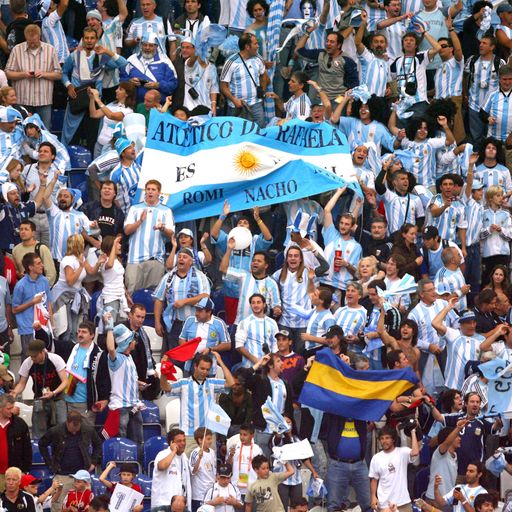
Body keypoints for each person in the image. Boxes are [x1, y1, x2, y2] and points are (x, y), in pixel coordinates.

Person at [60, 27, 127, 149]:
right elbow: (63, 73)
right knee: (71, 137)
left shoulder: (102, 57)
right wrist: (69, 85)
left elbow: (123, 64)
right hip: (77, 100)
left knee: (93, 138)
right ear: (83, 39)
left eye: (92, 38)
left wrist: (107, 51)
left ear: (96, 39)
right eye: (87, 38)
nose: (89, 41)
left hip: (95, 102)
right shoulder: (74, 56)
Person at [160, 353, 234, 452]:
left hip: (208, 434)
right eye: (202, 368)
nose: (204, 372)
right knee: (189, 466)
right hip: (189, 435)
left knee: (209, 466)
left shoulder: (212, 383)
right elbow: (165, 387)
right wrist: (163, 370)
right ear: (195, 366)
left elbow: (231, 383)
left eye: (207, 370)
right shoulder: (183, 383)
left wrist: (220, 361)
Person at [38, 411, 102, 512]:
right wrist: (50, 463)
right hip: (62, 475)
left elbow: (98, 444)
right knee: (58, 506)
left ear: (80, 423)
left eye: (77, 429)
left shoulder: (88, 429)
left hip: (82, 476)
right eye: (72, 429)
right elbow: (42, 444)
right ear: (67, 422)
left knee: (85, 507)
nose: (74, 432)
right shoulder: (56, 430)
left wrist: (94, 462)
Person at [4, 24, 61, 130]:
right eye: (30, 42)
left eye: (34, 41)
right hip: (22, 100)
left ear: (39, 37)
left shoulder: (50, 50)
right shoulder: (17, 49)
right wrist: (24, 74)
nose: (32, 44)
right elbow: (7, 73)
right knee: (21, 130)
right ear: (26, 37)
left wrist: (44, 74)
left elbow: (58, 74)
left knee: (44, 130)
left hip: (43, 100)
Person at [153, 247, 210, 351]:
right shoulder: (168, 277)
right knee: (175, 355)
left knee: (193, 353)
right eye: (179, 257)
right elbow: (158, 299)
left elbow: (205, 296)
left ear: (191, 262)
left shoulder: (199, 276)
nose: (181, 259)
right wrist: (157, 322)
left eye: (184, 257)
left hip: (194, 322)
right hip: (174, 323)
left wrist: (185, 302)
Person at [124, 179, 174, 293]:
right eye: (148, 189)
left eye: (153, 189)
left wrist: (162, 228)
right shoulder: (135, 209)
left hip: (155, 259)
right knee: (132, 295)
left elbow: (171, 233)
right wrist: (139, 221)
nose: (150, 192)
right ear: (145, 191)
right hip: (135, 260)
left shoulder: (166, 211)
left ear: (159, 193)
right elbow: (126, 231)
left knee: (155, 296)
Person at [239, 354, 294, 458]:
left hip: (279, 434)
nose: (282, 363)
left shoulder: (285, 384)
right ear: (271, 366)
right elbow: (242, 379)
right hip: (262, 430)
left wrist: (287, 417)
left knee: (276, 468)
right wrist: (259, 364)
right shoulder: (260, 380)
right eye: (278, 361)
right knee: (259, 466)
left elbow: (288, 408)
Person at [10, 339, 67, 438]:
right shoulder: (28, 363)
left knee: (62, 426)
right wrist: (15, 392)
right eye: (31, 356)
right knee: (38, 430)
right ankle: (39, 449)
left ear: (42, 352)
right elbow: (22, 383)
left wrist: (53, 392)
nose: (33, 358)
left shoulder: (56, 359)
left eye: (35, 356)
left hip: (57, 397)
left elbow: (65, 381)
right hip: (39, 399)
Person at [219, 240, 281, 326]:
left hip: (261, 327)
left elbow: (276, 305)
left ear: (266, 265)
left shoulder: (272, 283)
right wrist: (229, 249)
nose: (255, 262)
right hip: (240, 324)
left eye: (259, 261)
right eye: (253, 260)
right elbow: (223, 269)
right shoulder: (243, 276)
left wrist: (277, 310)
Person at [104, 317, 144, 446]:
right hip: (121, 407)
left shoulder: (129, 357)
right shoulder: (116, 358)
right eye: (133, 340)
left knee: (138, 441)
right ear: (127, 342)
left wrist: (138, 384)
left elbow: (126, 378)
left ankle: (137, 464)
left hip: (134, 406)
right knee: (122, 442)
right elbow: (110, 348)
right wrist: (109, 327)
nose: (135, 342)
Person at [322, 411, 372, 512]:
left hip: (360, 465)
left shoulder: (361, 414)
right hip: (337, 465)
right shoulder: (333, 415)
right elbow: (322, 430)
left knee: (368, 504)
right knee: (333, 506)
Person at [320, 189, 363, 300]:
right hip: (325, 283)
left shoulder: (356, 247)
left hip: (342, 288)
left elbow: (357, 274)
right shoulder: (331, 235)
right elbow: (327, 210)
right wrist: (339, 191)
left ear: (352, 227)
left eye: (347, 224)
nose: (343, 226)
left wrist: (346, 264)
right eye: (341, 223)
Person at [220, 33, 269, 128]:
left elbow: (263, 75)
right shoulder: (231, 62)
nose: (258, 46)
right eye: (255, 44)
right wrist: (234, 100)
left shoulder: (258, 58)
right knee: (237, 134)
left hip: (256, 104)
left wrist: (262, 91)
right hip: (238, 107)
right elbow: (223, 86)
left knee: (259, 132)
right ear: (247, 46)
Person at [64, 320, 109, 423]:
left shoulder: (98, 354)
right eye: (79, 331)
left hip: (85, 402)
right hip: (68, 400)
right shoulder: (72, 348)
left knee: (85, 434)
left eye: (84, 332)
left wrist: (104, 398)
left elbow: (104, 379)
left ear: (92, 335)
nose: (80, 334)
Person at [295, 30, 359, 102]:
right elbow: (299, 51)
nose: (328, 44)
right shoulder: (321, 54)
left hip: (337, 100)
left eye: (332, 42)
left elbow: (354, 84)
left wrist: (345, 102)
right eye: (327, 41)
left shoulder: (347, 61)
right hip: (321, 99)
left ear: (339, 45)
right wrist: (307, 33)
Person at [463, 35, 505, 143]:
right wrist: (465, 95)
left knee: (492, 139)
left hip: (492, 108)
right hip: (474, 105)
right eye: (480, 43)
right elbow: (465, 77)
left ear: (492, 47)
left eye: (484, 43)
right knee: (475, 139)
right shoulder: (472, 60)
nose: (481, 45)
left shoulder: (500, 63)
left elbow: (505, 81)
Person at [11, 252, 52, 359]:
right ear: (30, 267)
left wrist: (51, 323)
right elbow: (14, 309)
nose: (42, 265)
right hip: (28, 328)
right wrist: (32, 302)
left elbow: (49, 303)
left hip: (44, 327)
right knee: (29, 357)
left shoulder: (44, 281)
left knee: (45, 356)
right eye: (38, 263)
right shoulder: (21, 285)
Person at [369, 425, 420, 510]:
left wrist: (413, 432)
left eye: (387, 438)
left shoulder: (402, 452)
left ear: (393, 439)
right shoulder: (376, 458)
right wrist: (373, 496)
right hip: (384, 505)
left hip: (403, 502)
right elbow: (374, 479)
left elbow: (415, 452)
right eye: (382, 438)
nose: (384, 441)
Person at [179, 297, 231, 375]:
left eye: (200, 311)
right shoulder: (190, 320)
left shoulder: (219, 323)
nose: (196, 313)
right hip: (190, 365)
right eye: (196, 310)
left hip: (209, 368)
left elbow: (227, 345)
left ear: (209, 312)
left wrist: (210, 349)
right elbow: (181, 339)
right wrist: (187, 351)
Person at [121, 33, 178, 104]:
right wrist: (129, 82)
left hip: (157, 107)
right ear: (141, 45)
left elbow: (173, 84)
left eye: (151, 45)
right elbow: (122, 79)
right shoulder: (131, 60)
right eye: (145, 45)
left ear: (156, 46)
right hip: (134, 104)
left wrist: (158, 85)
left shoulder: (165, 62)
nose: (147, 48)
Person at [0, 174, 48, 252]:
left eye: (17, 193)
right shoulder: (2, 209)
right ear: (5, 196)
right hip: (7, 254)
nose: (17, 195)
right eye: (12, 193)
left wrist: (43, 184)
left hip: (24, 251)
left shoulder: (23, 207)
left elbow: (37, 203)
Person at [425, 420, 468, 504]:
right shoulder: (439, 452)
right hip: (434, 499)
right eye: (456, 436)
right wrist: (458, 428)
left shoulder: (455, 455)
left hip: (448, 499)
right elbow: (447, 442)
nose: (460, 438)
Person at [88, 83, 135, 158]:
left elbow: (111, 115)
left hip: (111, 147)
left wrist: (97, 99)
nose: (116, 91)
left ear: (127, 94)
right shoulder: (112, 104)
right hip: (99, 143)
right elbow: (94, 114)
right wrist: (92, 99)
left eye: (120, 89)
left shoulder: (128, 111)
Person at [123, 303, 159, 400]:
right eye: (138, 316)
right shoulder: (122, 330)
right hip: (125, 377)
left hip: (141, 376)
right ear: (130, 315)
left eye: (142, 317)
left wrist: (152, 368)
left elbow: (148, 353)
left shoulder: (142, 333)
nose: (140, 320)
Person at [151, 428, 192, 512]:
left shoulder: (184, 457)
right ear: (171, 443)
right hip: (162, 504)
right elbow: (161, 466)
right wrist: (173, 451)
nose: (183, 443)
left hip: (179, 505)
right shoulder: (163, 454)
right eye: (179, 441)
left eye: (184, 440)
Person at [235, 294, 279, 367]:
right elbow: (239, 346)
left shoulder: (272, 323)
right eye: (253, 303)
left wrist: (271, 361)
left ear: (264, 304)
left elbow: (275, 344)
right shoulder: (244, 323)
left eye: (258, 302)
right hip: (249, 367)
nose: (256, 305)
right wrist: (257, 361)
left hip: (268, 367)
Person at [0, 395, 31, 491]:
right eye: (8, 408)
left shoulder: (20, 424)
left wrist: (25, 470)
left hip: (14, 473)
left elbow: (27, 449)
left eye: (12, 407)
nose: (12, 410)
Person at [12, 220, 56, 285]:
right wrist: (19, 274)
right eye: (21, 229)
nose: (23, 232)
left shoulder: (42, 248)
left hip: (41, 288)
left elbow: (51, 274)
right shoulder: (15, 250)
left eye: (26, 229)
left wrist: (41, 287)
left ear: (33, 233)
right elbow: (15, 270)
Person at [190, 427, 216, 512]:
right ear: (200, 440)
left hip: (211, 493)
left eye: (211, 438)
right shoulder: (195, 453)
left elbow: (214, 470)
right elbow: (193, 471)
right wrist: (199, 458)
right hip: (199, 494)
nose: (210, 441)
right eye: (208, 439)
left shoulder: (212, 452)